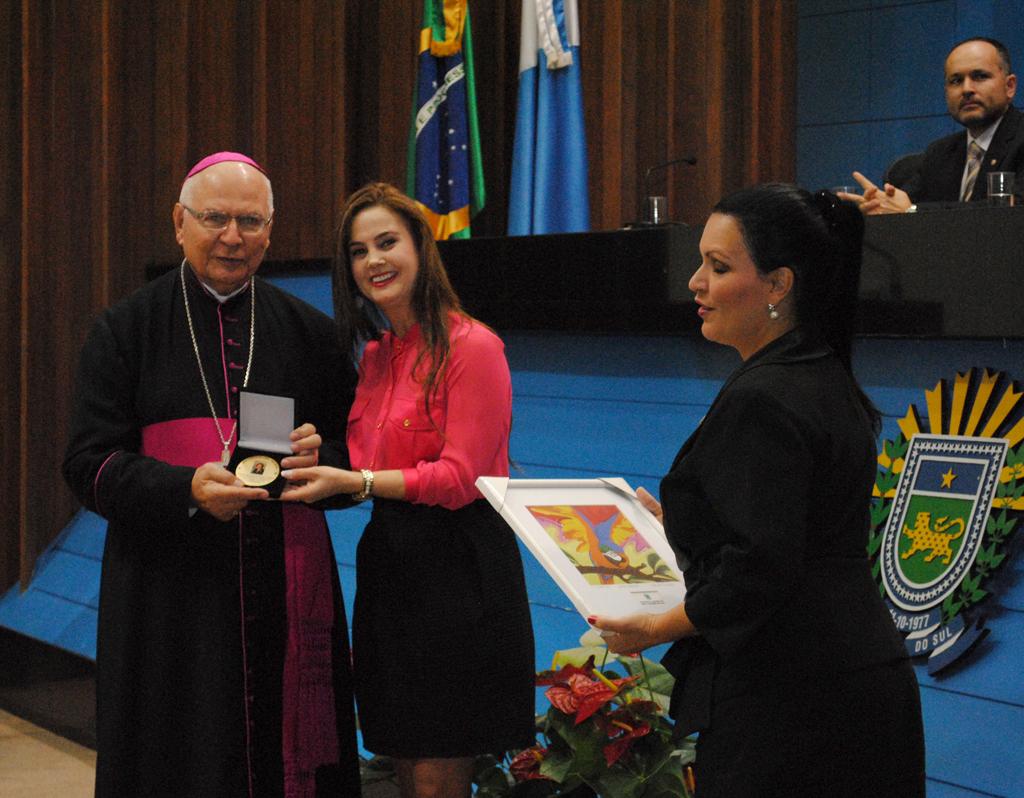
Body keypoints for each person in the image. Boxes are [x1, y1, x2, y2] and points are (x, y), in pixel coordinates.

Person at [590, 184, 925, 797]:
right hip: (850, 682)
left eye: (718, 267)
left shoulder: (764, 395)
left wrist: (656, 627)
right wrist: (683, 526)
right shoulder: (820, 371)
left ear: (777, 284)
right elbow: (792, 528)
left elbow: (761, 568)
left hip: (794, 701)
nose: (695, 282)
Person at [62, 152, 362, 797]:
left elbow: (355, 459)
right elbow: (88, 464)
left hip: (282, 583)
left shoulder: (311, 335)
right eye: (214, 218)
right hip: (164, 594)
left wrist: (324, 461)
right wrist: (184, 490)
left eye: (250, 222)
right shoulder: (124, 330)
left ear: (270, 231)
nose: (233, 236)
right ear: (179, 222)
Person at [281, 182, 535, 798]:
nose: (374, 260)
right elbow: (365, 459)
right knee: (402, 762)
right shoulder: (376, 355)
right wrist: (319, 456)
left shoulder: (475, 346)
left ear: (422, 247)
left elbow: (461, 477)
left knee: (437, 777)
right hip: (391, 571)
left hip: (459, 575)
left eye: (387, 242)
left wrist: (359, 480)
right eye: (359, 251)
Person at [842, 37, 1022, 213]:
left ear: (1010, 86)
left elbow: (1015, 207)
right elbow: (901, 204)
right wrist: (880, 205)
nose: (967, 89)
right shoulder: (940, 153)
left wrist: (912, 210)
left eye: (980, 76)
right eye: (956, 81)